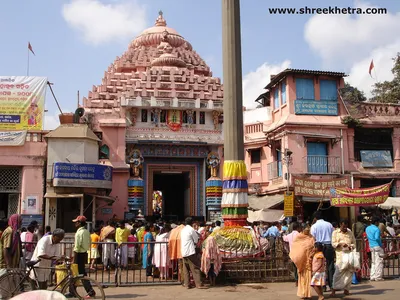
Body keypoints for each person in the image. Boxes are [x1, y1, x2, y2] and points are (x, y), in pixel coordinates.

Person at [69, 215, 94, 298]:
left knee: (76, 273)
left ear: (79, 223)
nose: (75, 223)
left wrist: (74, 258)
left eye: (76, 222)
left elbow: (77, 246)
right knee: (80, 273)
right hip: (84, 253)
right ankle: (88, 291)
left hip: (78, 254)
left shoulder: (79, 233)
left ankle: (73, 291)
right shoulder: (87, 232)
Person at [331, 219, 356, 297]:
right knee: (337, 274)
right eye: (343, 226)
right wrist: (341, 244)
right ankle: (333, 290)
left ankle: (346, 290)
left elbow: (354, 243)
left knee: (349, 273)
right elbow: (333, 243)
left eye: (346, 226)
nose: (345, 228)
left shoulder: (350, 232)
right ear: (340, 225)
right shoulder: (335, 233)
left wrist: (350, 246)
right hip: (340, 256)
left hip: (349, 256)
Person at [180, 217, 207, 289]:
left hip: (184, 251)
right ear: (192, 223)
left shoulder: (183, 230)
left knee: (186, 268)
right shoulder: (191, 230)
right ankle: (199, 284)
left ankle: (187, 284)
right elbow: (196, 240)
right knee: (195, 267)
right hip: (190, 251)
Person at [310, 211, 334, 291]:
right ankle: (331, 285)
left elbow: (313, 238)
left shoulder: (314, 226)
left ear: (315, 218)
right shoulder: (329, 224)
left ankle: (322, 285)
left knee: (320, 266)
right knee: (330, 266)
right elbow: (333, 235)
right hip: (329, 246)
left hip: (319, 247)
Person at [289, 226, 315, 299]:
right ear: (302, 230)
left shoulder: (311, 237)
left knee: (308, 278)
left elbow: (313, 247)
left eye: (308, 231)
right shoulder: (298, 237)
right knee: (302, 278)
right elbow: (296, 247)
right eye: (306, 231)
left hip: (308, 260)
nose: (307, 232)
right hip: (301, 261)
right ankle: (302, 293)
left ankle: (307, 293)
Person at [366, 216, 384, 281]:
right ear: (376, 222)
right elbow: (377, 238)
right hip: (377, 246)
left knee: (373, 262)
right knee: (379, 262)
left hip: (371, 246)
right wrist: (381, 244)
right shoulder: (376, 229)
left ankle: (372, 276)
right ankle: (378, 277)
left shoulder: (367, 228)